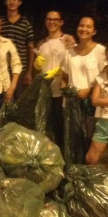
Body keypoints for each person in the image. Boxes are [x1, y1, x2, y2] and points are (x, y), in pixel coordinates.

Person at [61, 16, 107, 164]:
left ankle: (88, 170)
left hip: (91, 102)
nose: (84, 29)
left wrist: (89, 89)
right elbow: (64, 76)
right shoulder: (70, 51)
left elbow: (105, 76)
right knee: (73, 139)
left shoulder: (100, 51)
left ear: (94, 31)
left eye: (88, 27)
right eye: (81, 26)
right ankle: (74, 169)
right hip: (72, 103)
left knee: (89, 137)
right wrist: (65, 89)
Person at [34, 10, 75, 142]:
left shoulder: (68, 40)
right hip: (45, 91)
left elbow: (74, 62)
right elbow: (39, 68)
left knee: (61, 126)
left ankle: (63, 156)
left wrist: (61, 72)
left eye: (55, 19)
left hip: (61, 90)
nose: (52, 22)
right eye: (49, 19)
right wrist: (37, 65)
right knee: (46, 125)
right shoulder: (41, 43)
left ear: (61, 22)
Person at [0, 0, 35, 93]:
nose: (12, 2)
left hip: (21, 69)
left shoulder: (26, 24)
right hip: (3, 68)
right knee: (4, 101)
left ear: (19, 3)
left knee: (20, 101)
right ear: (5, 2)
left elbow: (31, 48)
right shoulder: (0, 23)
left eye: (15, 0)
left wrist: (29, 71)